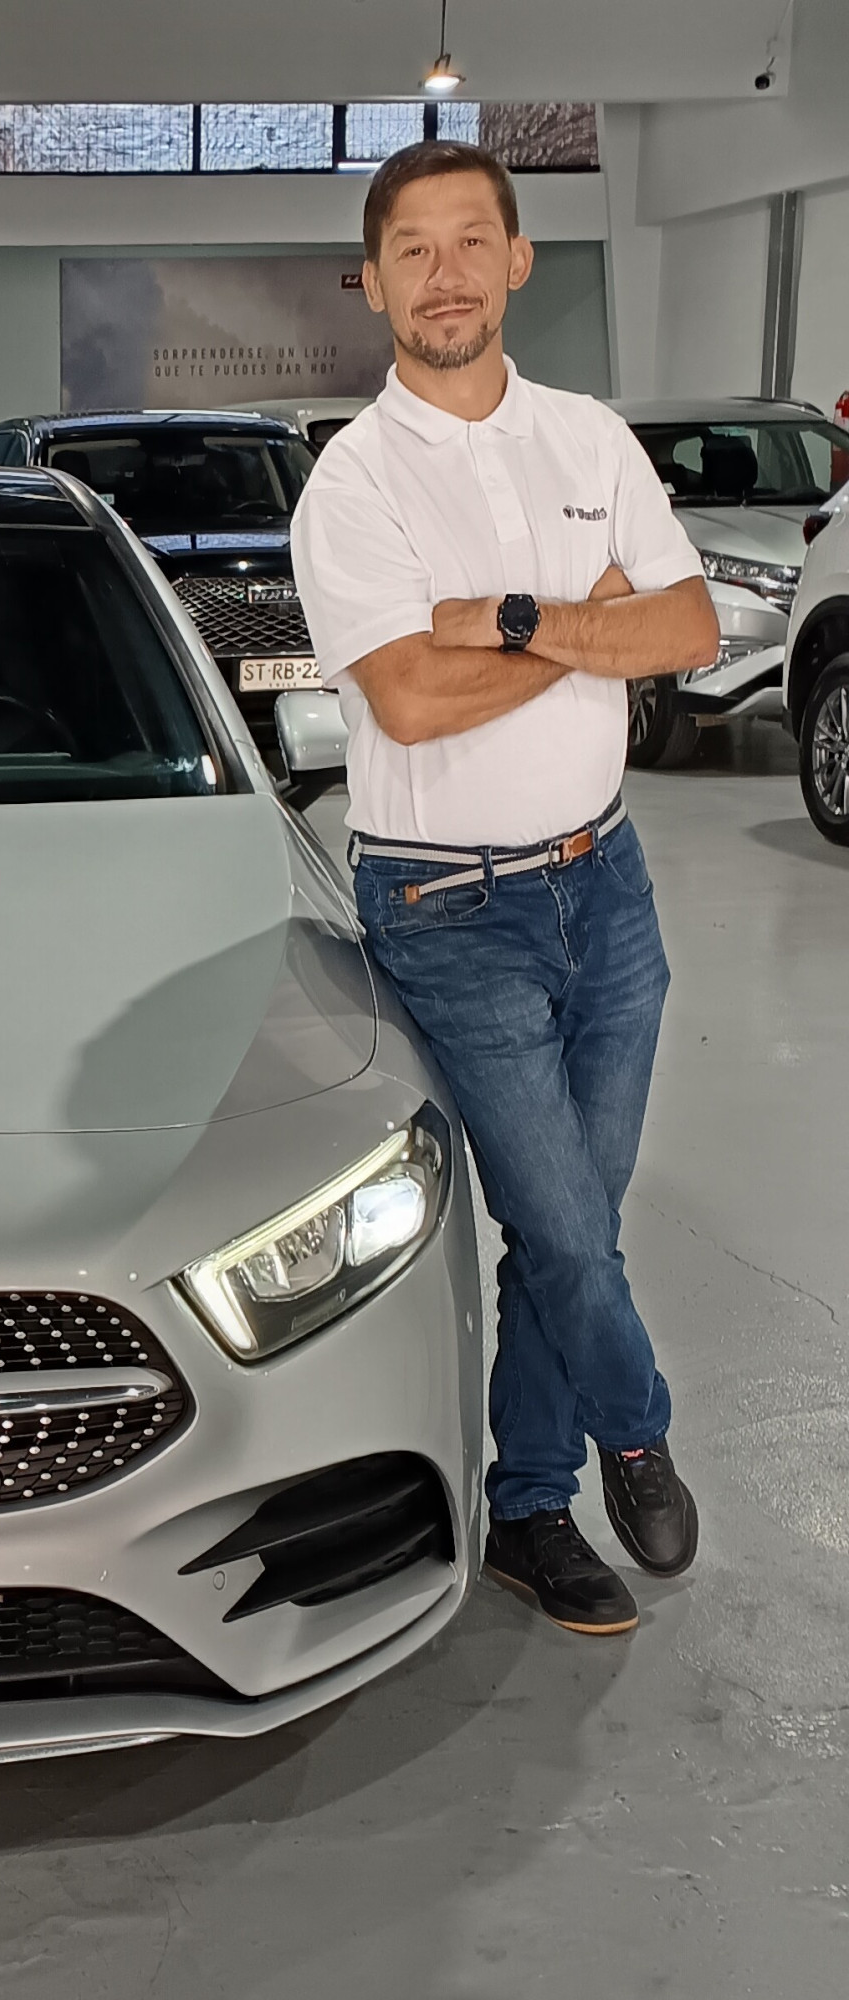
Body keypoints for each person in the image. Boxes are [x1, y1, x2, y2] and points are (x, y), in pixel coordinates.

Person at [290, 140, 722, 1636]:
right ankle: (636, 1431)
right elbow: (410, 701)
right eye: (413, 250)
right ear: (374, 285)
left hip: (610, 888)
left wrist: (512, 620)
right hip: (449, 912)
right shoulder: (353, 484)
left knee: (570, 1220)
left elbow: (688, 628)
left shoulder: (589, 439)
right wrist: (585, 629)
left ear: (519, 261)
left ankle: (529, 1507)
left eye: (472, 240)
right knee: (567, 1228)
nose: (446, 274)